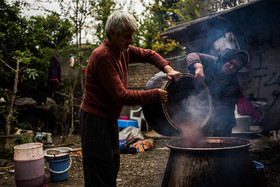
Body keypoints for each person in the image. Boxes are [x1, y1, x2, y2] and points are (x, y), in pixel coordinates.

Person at [79, 10, 181, 187]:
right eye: (127, 36)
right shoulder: (103, 56)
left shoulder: (122, 50)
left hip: (109, 118)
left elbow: (148, 54)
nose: (131, 40)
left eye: (132, 35)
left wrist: (168, 69)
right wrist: (155, 94)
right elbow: (121, 95)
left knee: (111, 165)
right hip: (95, 120)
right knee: (99, 171)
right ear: (112, 34)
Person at [186, 48, 249, 137]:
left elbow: (228, 104)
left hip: (220, 121)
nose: (231, 67)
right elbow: (192, 55)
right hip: (197, 111)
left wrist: (213, 111)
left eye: (236, 67)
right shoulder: (211, 61)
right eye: (230, 63)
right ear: (225, 59)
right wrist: (199, 67)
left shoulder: (233, 82)